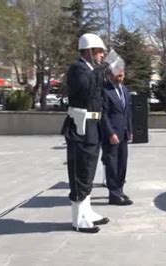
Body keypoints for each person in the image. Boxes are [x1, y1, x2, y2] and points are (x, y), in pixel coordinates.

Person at [60, 33, 110, 234]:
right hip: (80, 126)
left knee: (89, 169)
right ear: (88, 52)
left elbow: (98, 93)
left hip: (93, 125)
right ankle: (78, 219)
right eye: (99, 52)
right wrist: (103, 69)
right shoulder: (77, 69)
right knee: (80, 171)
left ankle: (87, 211)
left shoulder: (92, 70)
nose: (102, 56)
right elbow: (86, 87)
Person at [101, 68, 133, 206]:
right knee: (112, 164)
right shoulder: (104, 90)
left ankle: (120, 190)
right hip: (112, 134)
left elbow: (128, 112)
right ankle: (113, 194)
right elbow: (103, 115)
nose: (120, 78)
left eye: (122, 75)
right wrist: (110, 133)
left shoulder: (124, 90)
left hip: (123, 133)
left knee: (122, 163)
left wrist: (130, 130)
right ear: (110, 75)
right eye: (118, 75)